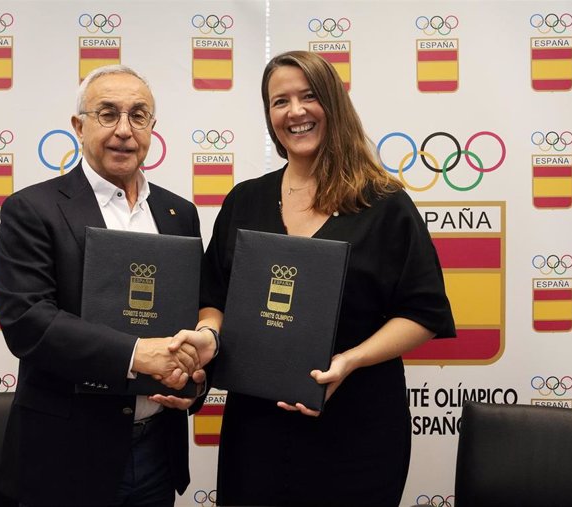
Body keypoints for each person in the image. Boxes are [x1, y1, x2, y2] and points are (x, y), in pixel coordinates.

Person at [182, 50, 456, 506]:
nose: (295, 112)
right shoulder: (244, 201)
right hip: (257, 430)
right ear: (269, 117)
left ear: (332, 104)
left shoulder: (384, 204)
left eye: (309, 97)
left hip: (356, 429)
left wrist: (350, 360)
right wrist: (209, 332)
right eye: (279, 101)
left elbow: (423, 312)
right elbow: (214, 296)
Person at [0, 64, 217, 507]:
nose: (124, 131)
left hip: (157, 450)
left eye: (138, 115)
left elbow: (195, 313)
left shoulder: (179, 213)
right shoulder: (32, 209)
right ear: (79, 126)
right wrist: (138, 355)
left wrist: (192, 378)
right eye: (107, 114)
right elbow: (28, 321)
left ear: (153, 128)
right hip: (66, 455)